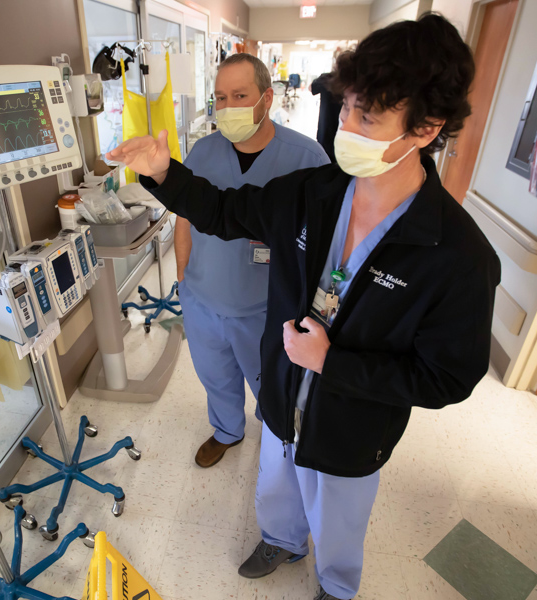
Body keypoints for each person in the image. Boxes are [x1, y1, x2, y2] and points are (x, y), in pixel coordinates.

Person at [108, 14, 499, 600]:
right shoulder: (314, 193)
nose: (347, 125)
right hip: (282, 392)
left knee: (338, 520)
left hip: (351, 426)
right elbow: (223, 211)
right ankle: (282, 540)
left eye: (368, 116)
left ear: (426, 128)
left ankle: (337, 587)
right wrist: (163, 173)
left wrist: (331, 364)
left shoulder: (457, 255)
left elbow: (448, 377)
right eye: (348, 107)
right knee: (276, 484)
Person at [175, 54, 328, 468]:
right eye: (221, 97)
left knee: (271, 384)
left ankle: (276, 430)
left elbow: (321, 243)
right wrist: (183, 283)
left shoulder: (307, 158)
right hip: (203, 301)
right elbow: (185, 221)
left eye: (240, 95)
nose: (228, 107)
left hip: (266, 311)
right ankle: (227, 430)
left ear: (267, 98)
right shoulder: (203, 152)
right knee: (216, 378)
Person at [310, 71, 342, 162]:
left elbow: (311, 88)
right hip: (343, 133)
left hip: (325, 132)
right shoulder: (357, 81)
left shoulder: (326, 78)